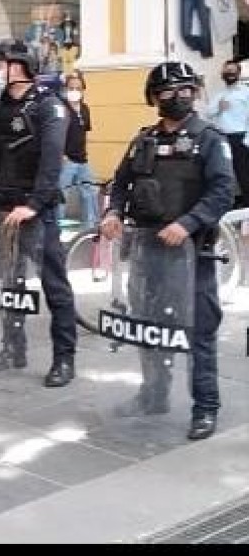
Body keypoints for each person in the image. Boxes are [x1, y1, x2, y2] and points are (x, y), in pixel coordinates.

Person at [101, 61, 234, 441]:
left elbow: (222, 191)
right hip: (147, 253)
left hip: (192, 254)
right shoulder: (143, 139)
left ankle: (204, 407)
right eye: (168, 91)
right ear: (154, 97)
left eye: (185, 90)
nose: (177, 97)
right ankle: (153, 395)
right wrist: (113, 212)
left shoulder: (210, 138)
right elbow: (122, 182)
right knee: (149, 326)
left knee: (199, 332)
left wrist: (188, 223)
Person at [0, 40, 78, 388]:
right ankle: (12, 348)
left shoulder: (49, 107)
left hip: (37, 213)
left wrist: (32, 205)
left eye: (1, 64)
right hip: (3, 209)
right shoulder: (0, 106)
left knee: (54, 286)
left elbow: (51, 163)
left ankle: (64, 358)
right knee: (8, 283)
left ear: (19, 66)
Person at [206, 59, 249, 207]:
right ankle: (228, 202)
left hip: (240, 137)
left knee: (243, 172)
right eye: (226, 71)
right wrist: (219, 107)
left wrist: (247, 139)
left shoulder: (246, 92)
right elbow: (208, 113)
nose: (229, 74)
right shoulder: (219, 94)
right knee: (224, 172)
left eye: (232, 71)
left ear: (238, 73)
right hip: (222, 137)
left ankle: (247, 204)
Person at [57, 73, 98, 227]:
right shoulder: (61, 109)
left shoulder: (85, 109)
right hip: (66, 160)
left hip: (82, 160)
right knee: (61, 195)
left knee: (90, 194)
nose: (75, 91)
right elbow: (55, 134)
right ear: (66, 89)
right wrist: (61, 155)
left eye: (78, 88)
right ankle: (57, 227)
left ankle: (91, 227)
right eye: (71, 88)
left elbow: (84, 132)